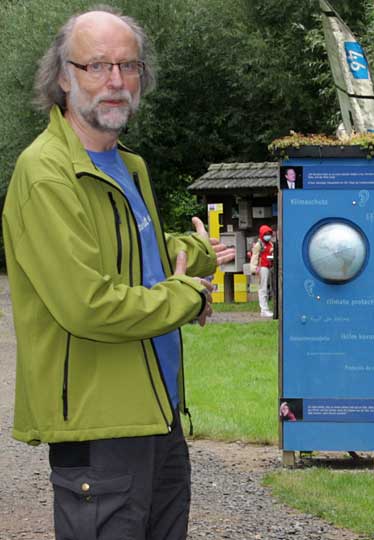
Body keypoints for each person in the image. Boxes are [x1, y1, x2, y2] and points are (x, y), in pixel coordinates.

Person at [2, 8, 235, 539]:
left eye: (128, 67)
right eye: (96, 66)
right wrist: (187, 298)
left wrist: (194, 251)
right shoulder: (46, 175)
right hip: (100, 422)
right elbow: (89, 303)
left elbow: (135, 251)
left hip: (158, 413)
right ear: (63, 77)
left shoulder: (128, 166)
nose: (115, 82)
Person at [250, 224, 275, 317]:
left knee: (266, 288)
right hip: (262, 268)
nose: (268, 235)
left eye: (269, 233)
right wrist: (253, 269)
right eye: (266, 234)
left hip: (268, 267)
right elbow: (254, 257)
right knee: (263, 288)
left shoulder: (270, 243)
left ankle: (265, 309)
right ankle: (264, 310)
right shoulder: (258, 245)